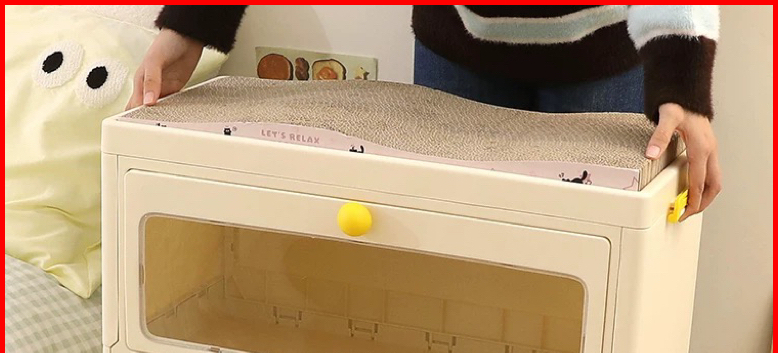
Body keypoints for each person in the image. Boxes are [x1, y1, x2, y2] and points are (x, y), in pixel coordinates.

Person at [128, 5, 721, 219]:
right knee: (451, 269)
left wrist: (682, 74)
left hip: (607, 53)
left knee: (594, 288)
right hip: (457, 42)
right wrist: (194, 21)